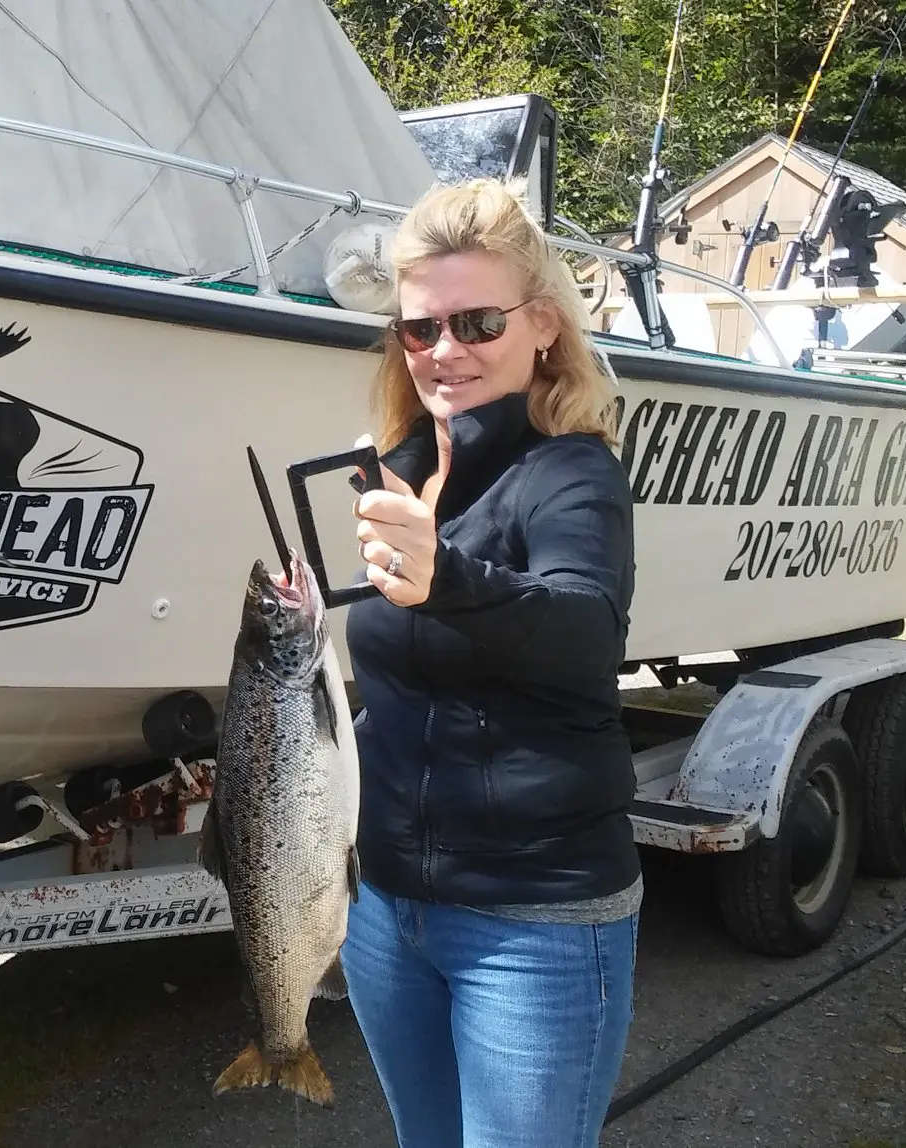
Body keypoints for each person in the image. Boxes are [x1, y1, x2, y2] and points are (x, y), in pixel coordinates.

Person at [341, 178, 640, 1148]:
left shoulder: (572, 470)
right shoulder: (391, 465)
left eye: (476, 321)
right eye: (419, 329)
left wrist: (447, 577)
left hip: (536, 918)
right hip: (388, 911)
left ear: (542, 323)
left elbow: (587, 629)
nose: (444, 351)